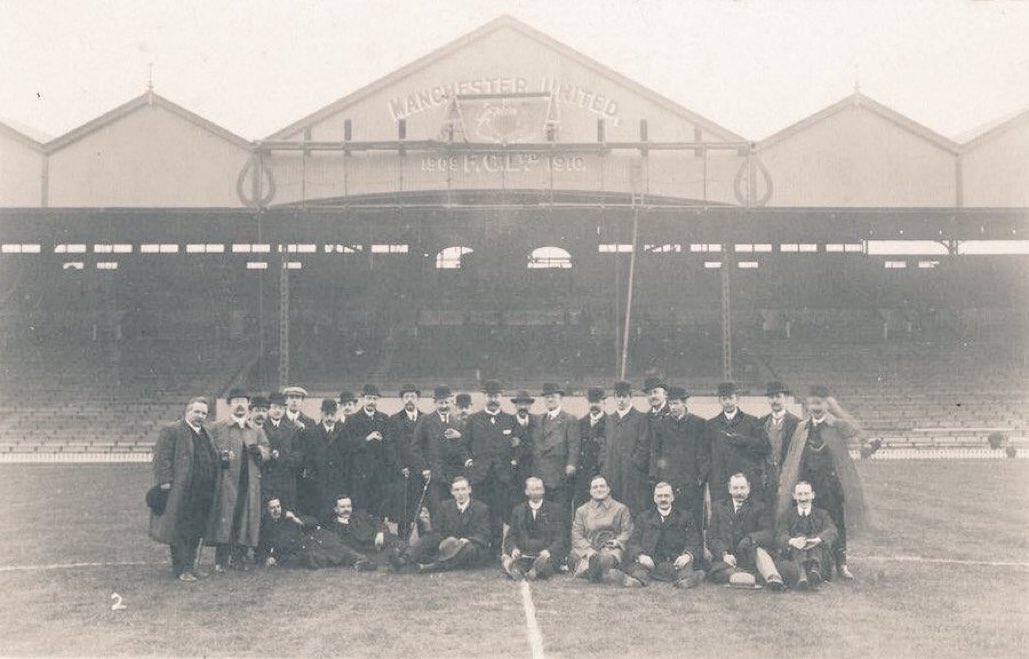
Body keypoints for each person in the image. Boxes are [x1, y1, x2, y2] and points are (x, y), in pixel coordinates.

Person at [776, 385, 866, 581]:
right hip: (806, 487)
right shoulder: (802, 427)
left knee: (836, 523)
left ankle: (841, 564)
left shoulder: (837, 426)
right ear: (807, 405)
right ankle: (809, 563)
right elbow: (793, 457)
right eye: (812, 403)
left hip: (830, 487)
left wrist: (836, 408)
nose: (815, 407)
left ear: (827, 404)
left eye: (820, 403)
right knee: (804, 521)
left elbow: (855, 429)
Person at [149, 397, 218, 581]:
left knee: (196, 529)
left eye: (204, 413)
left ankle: (191, 566)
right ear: (187, 411)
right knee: (181, 529)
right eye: (197, 412)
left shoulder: (206, 433)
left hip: (203, 491)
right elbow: (161, 458)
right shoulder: (172, 430)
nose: (200, 416)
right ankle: (181, 569)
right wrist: (165, 481)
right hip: (182, 490)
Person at [206, 388, 271, 571]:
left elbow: (266, 448)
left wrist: (259, 451)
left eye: (243, 401)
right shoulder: (218, 427)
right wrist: (220, 456)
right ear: (229, 405)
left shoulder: (256, 429)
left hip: (249, 482)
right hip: (226, 482)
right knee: (225, 518)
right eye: (236, 401)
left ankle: (239, 557)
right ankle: (221, 559)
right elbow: (208, 450)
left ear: (248, 405)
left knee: (245, 517)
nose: (240, 405)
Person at [464, 379, 519, 547]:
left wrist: (512, 461)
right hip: (480, 475)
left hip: (501, 476)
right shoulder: (474, 419)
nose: (493, 399)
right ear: (484, 397)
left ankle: (495, 549)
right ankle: (479, 546)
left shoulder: (510, 420)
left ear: (501, 397)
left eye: (496, 396)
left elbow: (517, 445)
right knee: (480, 512)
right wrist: (468, 461)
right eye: (490, 396)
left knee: (498, 513)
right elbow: (463, 445)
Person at [618, 482, 705, 589]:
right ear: (654, 498)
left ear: (672, 497)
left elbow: (694, 541)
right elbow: (633, 542)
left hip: (676, 562)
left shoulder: (685, 517)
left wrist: (687, 555)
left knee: (686, 568)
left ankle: (685, 581)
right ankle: (635, 581)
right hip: (651, 562)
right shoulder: (644, 517)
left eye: (666, 496)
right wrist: (640, 556)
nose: (663, 499)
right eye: (659, 496)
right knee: (638, 569)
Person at [707, 473, 785, 591]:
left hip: (750, 555)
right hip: (728, 559)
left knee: (760, 552)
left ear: (748, 488)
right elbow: (712, 537)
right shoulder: (719, 507)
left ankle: (773, 578)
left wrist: (750, 538)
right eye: (735, 488)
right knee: (718, 573)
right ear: (729, 489)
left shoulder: (759, 507)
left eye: (742, 488)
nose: (739, 492)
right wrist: (724, 554)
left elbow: (768, 533)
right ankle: (747, 576)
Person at [648, 385, 708, 535]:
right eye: (670, 403)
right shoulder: (661, 424)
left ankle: (696, 554)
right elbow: (655, 452)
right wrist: (655, 476)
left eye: (676, 403)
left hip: (692, 481)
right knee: (672, 517)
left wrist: (703, 475)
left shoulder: (699, 423)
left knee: (694, 517)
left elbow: (704, 452)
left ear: (685, 403)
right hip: (669, 480)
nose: (672, 407)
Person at [257, 498, 375, 570]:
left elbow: (313, 521)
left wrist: (297, 519)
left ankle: (361, 560)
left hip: (314, 538)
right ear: (267, 510)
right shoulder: (266, 526)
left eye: (278, 506)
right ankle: (359, 562)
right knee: (316, 557)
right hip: (300, 549)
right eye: (272, 508)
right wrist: (268, 557)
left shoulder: (289, 517)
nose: (276, 510)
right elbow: (262, 546)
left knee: (335, 545)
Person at [409, 477, 491, 573]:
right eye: (457, 490)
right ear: (452, 492)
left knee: (470, 549)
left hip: (469, 547)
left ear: (469, 489)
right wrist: (427, 525)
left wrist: (468, 540)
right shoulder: (445, 506)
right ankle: (407, 558)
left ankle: (435, 566)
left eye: (463, 489)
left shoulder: (481, 508)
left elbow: (484, 534)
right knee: (430, 538)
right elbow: (437, 531)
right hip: (448, 544)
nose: (460, 493)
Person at [707, 382, 770, 504]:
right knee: (722, 515)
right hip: (720, 481)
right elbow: (704, 452)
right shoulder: (711, 425)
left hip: (746, 480)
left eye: (731, 398)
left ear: (737, 398)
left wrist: (746, 441)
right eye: (724, 399)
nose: (728, 402)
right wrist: (711, 473)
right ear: (719, 400)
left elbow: (765, 448)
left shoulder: (752, 422)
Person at [413, 386, 471, 517]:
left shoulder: (457, 422)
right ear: (435, 403)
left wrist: (460, 436)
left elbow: (465, 447)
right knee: (436, 510)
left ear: (451, 402)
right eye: (440, 403)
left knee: (452, 511)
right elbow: (415, 447)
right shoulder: (426, 420)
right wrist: (424, 468)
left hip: (453, 476)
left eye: (446, 402)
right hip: (434, 475)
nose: (444, 406)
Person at [570, 475, 634, 582]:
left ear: (608, 489)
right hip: (589, 548)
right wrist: (588, 550)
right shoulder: (582, 510)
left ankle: (591, 572)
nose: (599, 489)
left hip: (610, 548)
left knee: (607, 558)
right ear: (590, 491)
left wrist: (618, 542)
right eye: (595, 487)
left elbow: (628, 531)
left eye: (602, 486)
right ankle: (600, 573)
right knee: (577, 556)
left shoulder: (621, 508)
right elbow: (576, 534)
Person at [776, 481, 838, 590]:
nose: (803, 498)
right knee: (799, 538)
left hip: (820, 559)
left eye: (806, 494)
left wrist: (817, 539)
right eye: (799, 494)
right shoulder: (787, 515)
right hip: (795, 557)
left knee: (814, 538)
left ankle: (814, 571)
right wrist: (792, 541)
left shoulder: (822, 514)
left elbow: (832, 530)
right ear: (794, 496)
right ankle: (802, 573)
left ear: (812, 495)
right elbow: (780, 534)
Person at [529, 383, 579, 519]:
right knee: (542, 513)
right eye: (547, 397)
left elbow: (574, 444)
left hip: (559, 475)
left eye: (553, 396)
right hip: (540, 475)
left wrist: (571, 464)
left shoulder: (569, 419)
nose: (550, 400)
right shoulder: (538, 420)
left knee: (560, 513)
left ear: (560, 398)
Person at [502, 477, 567, 580]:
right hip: (524, 553)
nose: (536, 492)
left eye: (539, 488)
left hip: (545, 554)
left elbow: (560, 537)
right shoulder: (518, 510)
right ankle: (516, 570)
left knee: (547, 566)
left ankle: (536, 571)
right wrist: (514, 549)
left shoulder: (555, 510)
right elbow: (510, 537)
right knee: (519, 564)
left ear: (543, 490)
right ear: (526, 492)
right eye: (533, 489)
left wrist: (549, 551)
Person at [602, 380, 650, 514]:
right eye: (619, 396)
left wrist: (634, 464)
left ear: (630, 397)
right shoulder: (610, 419)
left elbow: (644, 445)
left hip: (633, 474)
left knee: (632, 508)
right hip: (612, 472)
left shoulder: (641, 418)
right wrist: (606, 465)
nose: (621, 400)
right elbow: (605, 445)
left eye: (625, 396)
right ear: (615, 398)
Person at [297, 398, 349, 520]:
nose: (329, 418)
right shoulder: (311, 433)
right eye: (326, 414)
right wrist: (312, 476)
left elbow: (347, 456)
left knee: (337, 514)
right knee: (320, 513)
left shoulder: (343, 432)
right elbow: (307, 458)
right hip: (318, 482)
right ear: (321, 413)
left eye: (332, 414)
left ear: (337, 414)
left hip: (338, 481)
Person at [347, 384, 392, 519]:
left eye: (374, 398)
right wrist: (367, 438)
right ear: (363, 399)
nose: (371, 402)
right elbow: (348, 445)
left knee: (378, 508)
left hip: (379, 473)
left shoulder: (384, 418)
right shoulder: (352, 419)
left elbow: (389, 445)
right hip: (360, 472)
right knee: (361, 508)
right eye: (368, 398)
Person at [326, 495, 406, 563]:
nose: (346, 510)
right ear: (336, 509)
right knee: (388, 555)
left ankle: (402, 558)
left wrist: (380, 532)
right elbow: (344, 546)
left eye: (348, 506)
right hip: (368, 551)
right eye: (342, 507)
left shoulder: (360, 515)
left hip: (383, 541)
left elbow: (377, 522)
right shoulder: (334, 527)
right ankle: (400, 560)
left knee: (401, 544)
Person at [386, 384, 423, 533]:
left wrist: (424, 468)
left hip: (421, 472)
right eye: (406, 397)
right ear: (402, 399)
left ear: (418, 398)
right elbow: (390, 447)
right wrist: (400, 467)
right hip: (403, 473)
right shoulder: (393, 420)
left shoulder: (426, 418)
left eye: (413, 396)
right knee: (404, 511)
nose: (410, 400)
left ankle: (425, 546)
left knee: (422, 511)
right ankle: (403, 544)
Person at [261, 392, 302, 510]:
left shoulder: (293, 428)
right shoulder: (261, 427)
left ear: (284, 410)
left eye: (280, 408)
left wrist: (282, 457)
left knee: (286, 510)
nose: (277, 411)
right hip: (266, 478)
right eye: (274, 407)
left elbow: (298, 454)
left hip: (286, 479)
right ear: (268, 409)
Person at [760, 381, 801, 494]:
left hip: (788, 478)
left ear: (786, 398)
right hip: (767, 479)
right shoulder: (761, 422)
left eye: (778, 397)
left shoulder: (797, 423)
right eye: (771, 397)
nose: (775, 401)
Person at [573, 387, 607, 510]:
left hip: (602, 473)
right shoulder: (580, 423)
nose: (594, 405)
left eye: (597, 402)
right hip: (584, 473)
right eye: (591, 402)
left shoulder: (610, 423)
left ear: (604, 402)